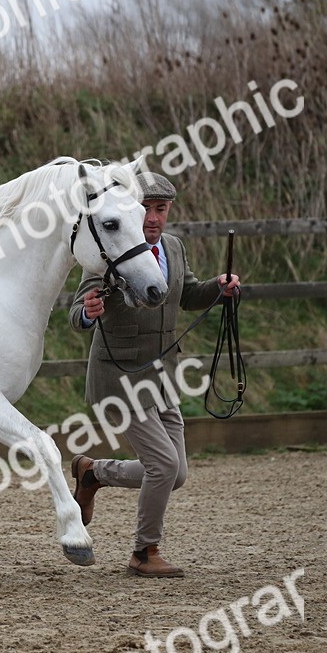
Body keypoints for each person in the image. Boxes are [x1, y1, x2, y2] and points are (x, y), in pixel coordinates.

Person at [68, 171, 240, 577]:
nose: (153, 218)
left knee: (175, 473)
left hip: (162, 377)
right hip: (120, 378)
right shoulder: (111, 250)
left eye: (160, 209)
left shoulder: (174, 249)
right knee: (162, 466)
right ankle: (144, 552)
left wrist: (219, 287)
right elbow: (78, 311)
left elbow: (189, 293)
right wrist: (88, 314)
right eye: (145, 209)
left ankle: (92, 473)